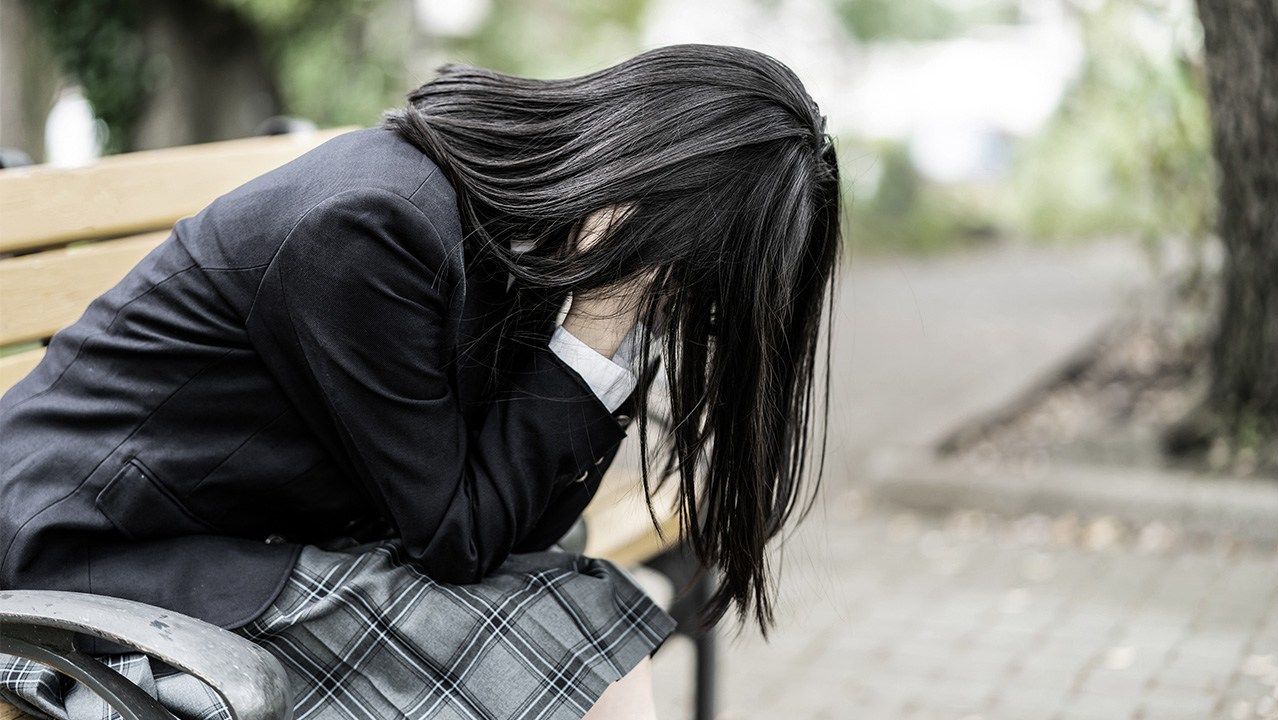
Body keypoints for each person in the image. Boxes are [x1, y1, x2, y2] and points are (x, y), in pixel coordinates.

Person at [0, 43, 842, 719]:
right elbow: (459, 542)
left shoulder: (520, 226)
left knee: (587, 633)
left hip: (249, 531)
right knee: (582, 646)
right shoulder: (374, 227)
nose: (688, 310)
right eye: (696, 281)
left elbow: (522, 530)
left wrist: (603, 333)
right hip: (93, 552)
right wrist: (596, 326)